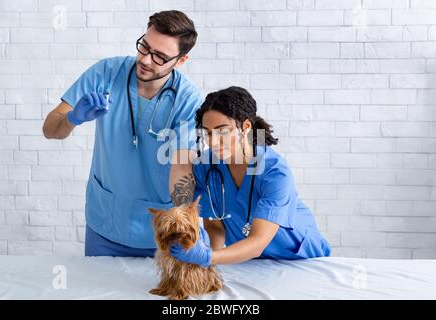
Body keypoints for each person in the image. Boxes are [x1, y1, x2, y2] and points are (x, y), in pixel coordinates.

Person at [42, 11, 201, 256]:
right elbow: (50, 129)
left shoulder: (187, 100)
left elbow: (181, 165)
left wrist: (184, 220)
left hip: (160, 235)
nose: (146, 60)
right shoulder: (106, 73)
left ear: (181, 61)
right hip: (104, 224)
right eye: (144, 47)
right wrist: (72, 118)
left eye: (159, 56)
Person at [170, 86, 331, 267]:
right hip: (246, 261)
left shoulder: (275, 172)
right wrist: (206, 258)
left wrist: (208, 257)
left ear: (245, 127)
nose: (213, 142)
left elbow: (258, 242)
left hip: (298, 259)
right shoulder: (206, 166)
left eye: (222, 131)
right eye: (207, 133)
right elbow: (215, 226)